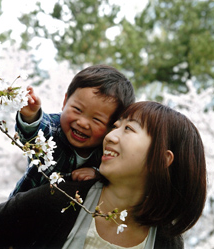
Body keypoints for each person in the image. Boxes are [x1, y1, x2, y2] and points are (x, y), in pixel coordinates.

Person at [0, 101, 207, 249]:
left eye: (129, 128)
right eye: (115, 126)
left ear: (163, 160)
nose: (110, 136)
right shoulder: (65, 198)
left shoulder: (165, 241)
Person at [8, 65, 135, 197]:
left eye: (97, 119)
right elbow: (36, 131)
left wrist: (98, 174)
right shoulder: (55, 129)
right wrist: (31, 116)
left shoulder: (106, 152)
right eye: (77, 110)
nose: (82, 123)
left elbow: (120, 174)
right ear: (65, 101)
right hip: (22, 208)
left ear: (112, 126)